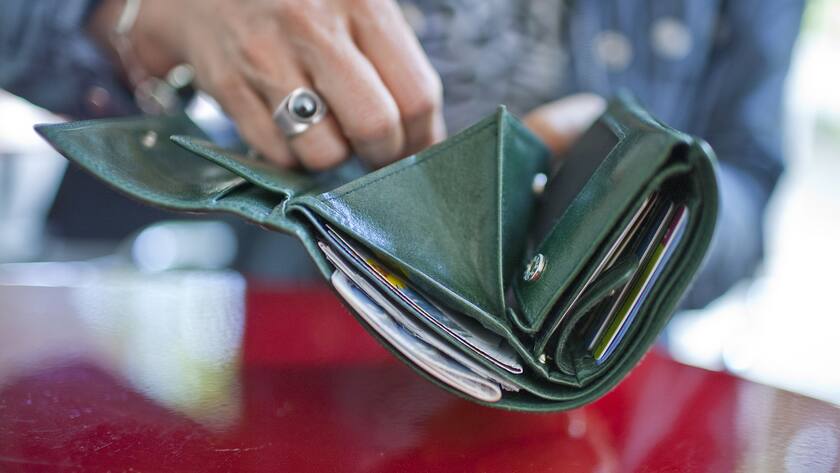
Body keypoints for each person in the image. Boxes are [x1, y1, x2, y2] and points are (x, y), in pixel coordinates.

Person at [0, 0, 804, 308]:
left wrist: (637, 189)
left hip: (594, 399)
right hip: (299, 352)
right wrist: (148, 13)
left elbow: (748, 186)